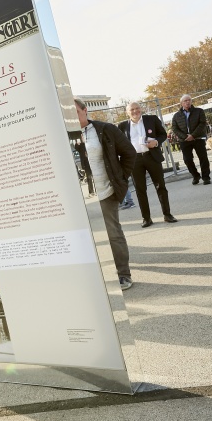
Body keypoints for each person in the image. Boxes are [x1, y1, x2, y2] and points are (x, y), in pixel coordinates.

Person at [75, 98, 136, 290]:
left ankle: (123, 274)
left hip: (106, 189)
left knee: (113, 233)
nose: (71, 117)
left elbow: (129, 153)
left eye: (75, 111)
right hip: (80, 196)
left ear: (85, 110)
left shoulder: (104, 129)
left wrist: (121, 178)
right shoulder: (64, 135)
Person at [117, 102, 177, 227]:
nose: (135, 111)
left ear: (141, 109)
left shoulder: (151, 119)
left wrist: (156, 142)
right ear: (127, 112)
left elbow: (162, 134)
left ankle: (167, 214)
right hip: (134, 160)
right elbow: (119, 143)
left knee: (160, 186)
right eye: (132, 109)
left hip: (151, 156)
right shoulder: (122, 126)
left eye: (137, 108)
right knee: (140, 190)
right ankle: (146, 218)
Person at [171, 94, 211, 185]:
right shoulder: (176, 116)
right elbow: (174, 128)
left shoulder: (199, 111)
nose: (187, 102)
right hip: (184, 141)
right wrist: (185, 137)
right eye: (185, 101)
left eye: (189, 100)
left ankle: (206, 177)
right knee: (187, 159)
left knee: (203, 158)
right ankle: (195, 176)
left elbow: (202, 123)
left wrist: (192, 135)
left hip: (198, 138)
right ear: (181, 103)